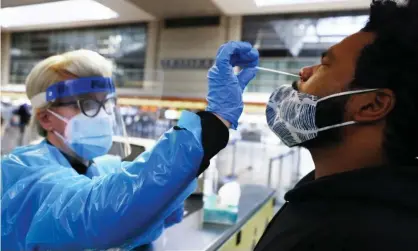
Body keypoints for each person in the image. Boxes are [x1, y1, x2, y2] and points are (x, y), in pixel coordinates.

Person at [1, 42, 259, 250]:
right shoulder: (20, 172)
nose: (102, 115)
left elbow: (145, 211)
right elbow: (96, 214)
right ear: (46, 118)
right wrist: (215, 120)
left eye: (106, 104)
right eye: (87, 105)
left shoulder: (104, 169)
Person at [254, 0, 418, 250]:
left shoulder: (361, 237)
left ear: (372, 105)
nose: (305, 72)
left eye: (325, 65)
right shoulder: (325, 194)